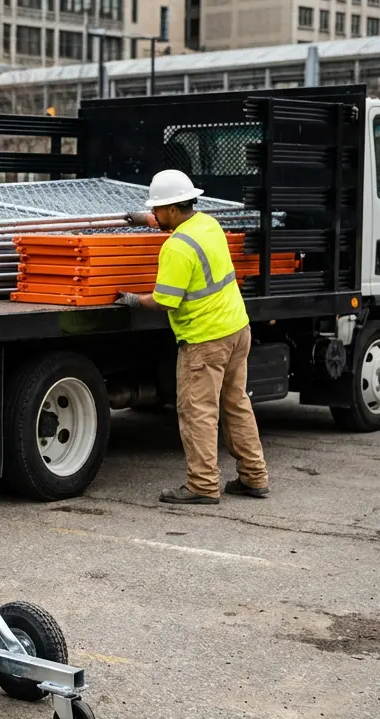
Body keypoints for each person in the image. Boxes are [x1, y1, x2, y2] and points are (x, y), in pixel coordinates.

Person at [116, 169, 270, 505]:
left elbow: (164, 301)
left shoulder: (176, 248)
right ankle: (254, 477)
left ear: (172, 210)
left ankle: (202, 485)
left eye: (157, 209)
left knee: (198, 411)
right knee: (236, 403)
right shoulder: (209, 225)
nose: (154, 214)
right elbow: (179, 226)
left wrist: (131, 299)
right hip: (236, 329)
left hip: (205, 340)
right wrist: (145, 220)